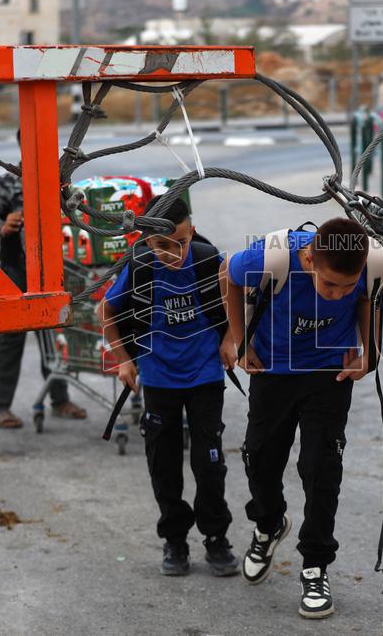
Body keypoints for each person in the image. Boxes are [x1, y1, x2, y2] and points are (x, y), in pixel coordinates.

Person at [224, 218, 375, 620]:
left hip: (328, 371)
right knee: (259, 458)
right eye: (330, 285)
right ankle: (269, 524)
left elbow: (367, 298)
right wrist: (241, 343)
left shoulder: (367, 262)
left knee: (321, 467)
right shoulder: (270, 256)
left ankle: (315, 566)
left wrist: (369, 351)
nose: (337, 295)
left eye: (346, 286)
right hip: (273, 368)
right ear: (309, 260)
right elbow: (229, 277)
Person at [100, 196, 240, 577]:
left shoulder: (209, 260)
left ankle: (216, 537)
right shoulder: (140, 266)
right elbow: (106, 310)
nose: (172, 253)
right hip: (158, 378)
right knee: (163, 464)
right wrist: (123, 359)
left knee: (209, 464)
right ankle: (175, 540)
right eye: (162, 245)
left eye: (180, 242)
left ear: (191, 232)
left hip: (206, 376)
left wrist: (230, 338)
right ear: (147, 240)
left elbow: (236, 298)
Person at [0, 146, 88, 429]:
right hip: (14, 274)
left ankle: (60, 400)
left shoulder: (59, 181)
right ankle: (0, 407)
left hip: (53, 274)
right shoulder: (7, 183)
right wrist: (3, 225)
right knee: (8, 340)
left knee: (55, 338)